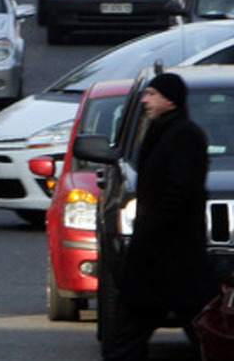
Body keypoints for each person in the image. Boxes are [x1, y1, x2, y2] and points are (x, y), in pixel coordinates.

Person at [106, 73, 216, 361]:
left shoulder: (184, 135)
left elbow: (182, 191)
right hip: (160, 257)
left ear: (170, 99)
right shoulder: (162, 131)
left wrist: (151, 227)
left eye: (152, 94)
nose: (145, 100)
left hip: (171, 254)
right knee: (132, 332)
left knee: (203, 329)